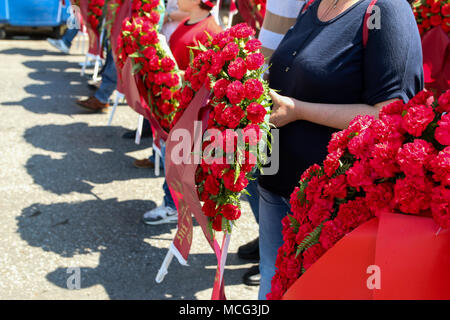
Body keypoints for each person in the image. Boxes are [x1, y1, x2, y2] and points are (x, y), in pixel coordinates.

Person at [257, 0, 424, 299]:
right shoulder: (314, 3)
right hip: (277, 184)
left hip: (331, 204)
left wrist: (298, 110)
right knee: (272, 281)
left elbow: (392, 113)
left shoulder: (385, 9)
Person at [237, 0, 306, 287]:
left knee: (267, 177)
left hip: (289, 91)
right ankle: (270, 244)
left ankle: (279, 253)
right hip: (264, 81)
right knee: (257, 177)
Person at [141, 0, 222, 225]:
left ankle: (173, 205)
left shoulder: (210, 30)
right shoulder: (187, 21)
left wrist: (173, 73)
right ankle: (173, 201)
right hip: (176, 104)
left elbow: (210, 77)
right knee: (172, 156)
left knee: (177, 158)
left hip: (190, 110)